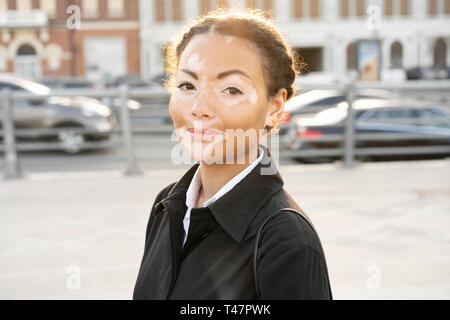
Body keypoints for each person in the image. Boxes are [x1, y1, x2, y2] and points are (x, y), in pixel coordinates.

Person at [133, 8, 332, 300]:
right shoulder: (166, 204)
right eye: (187, 85)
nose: (199, 107)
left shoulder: (287, 241)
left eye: (231, 90)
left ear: (275, 108)